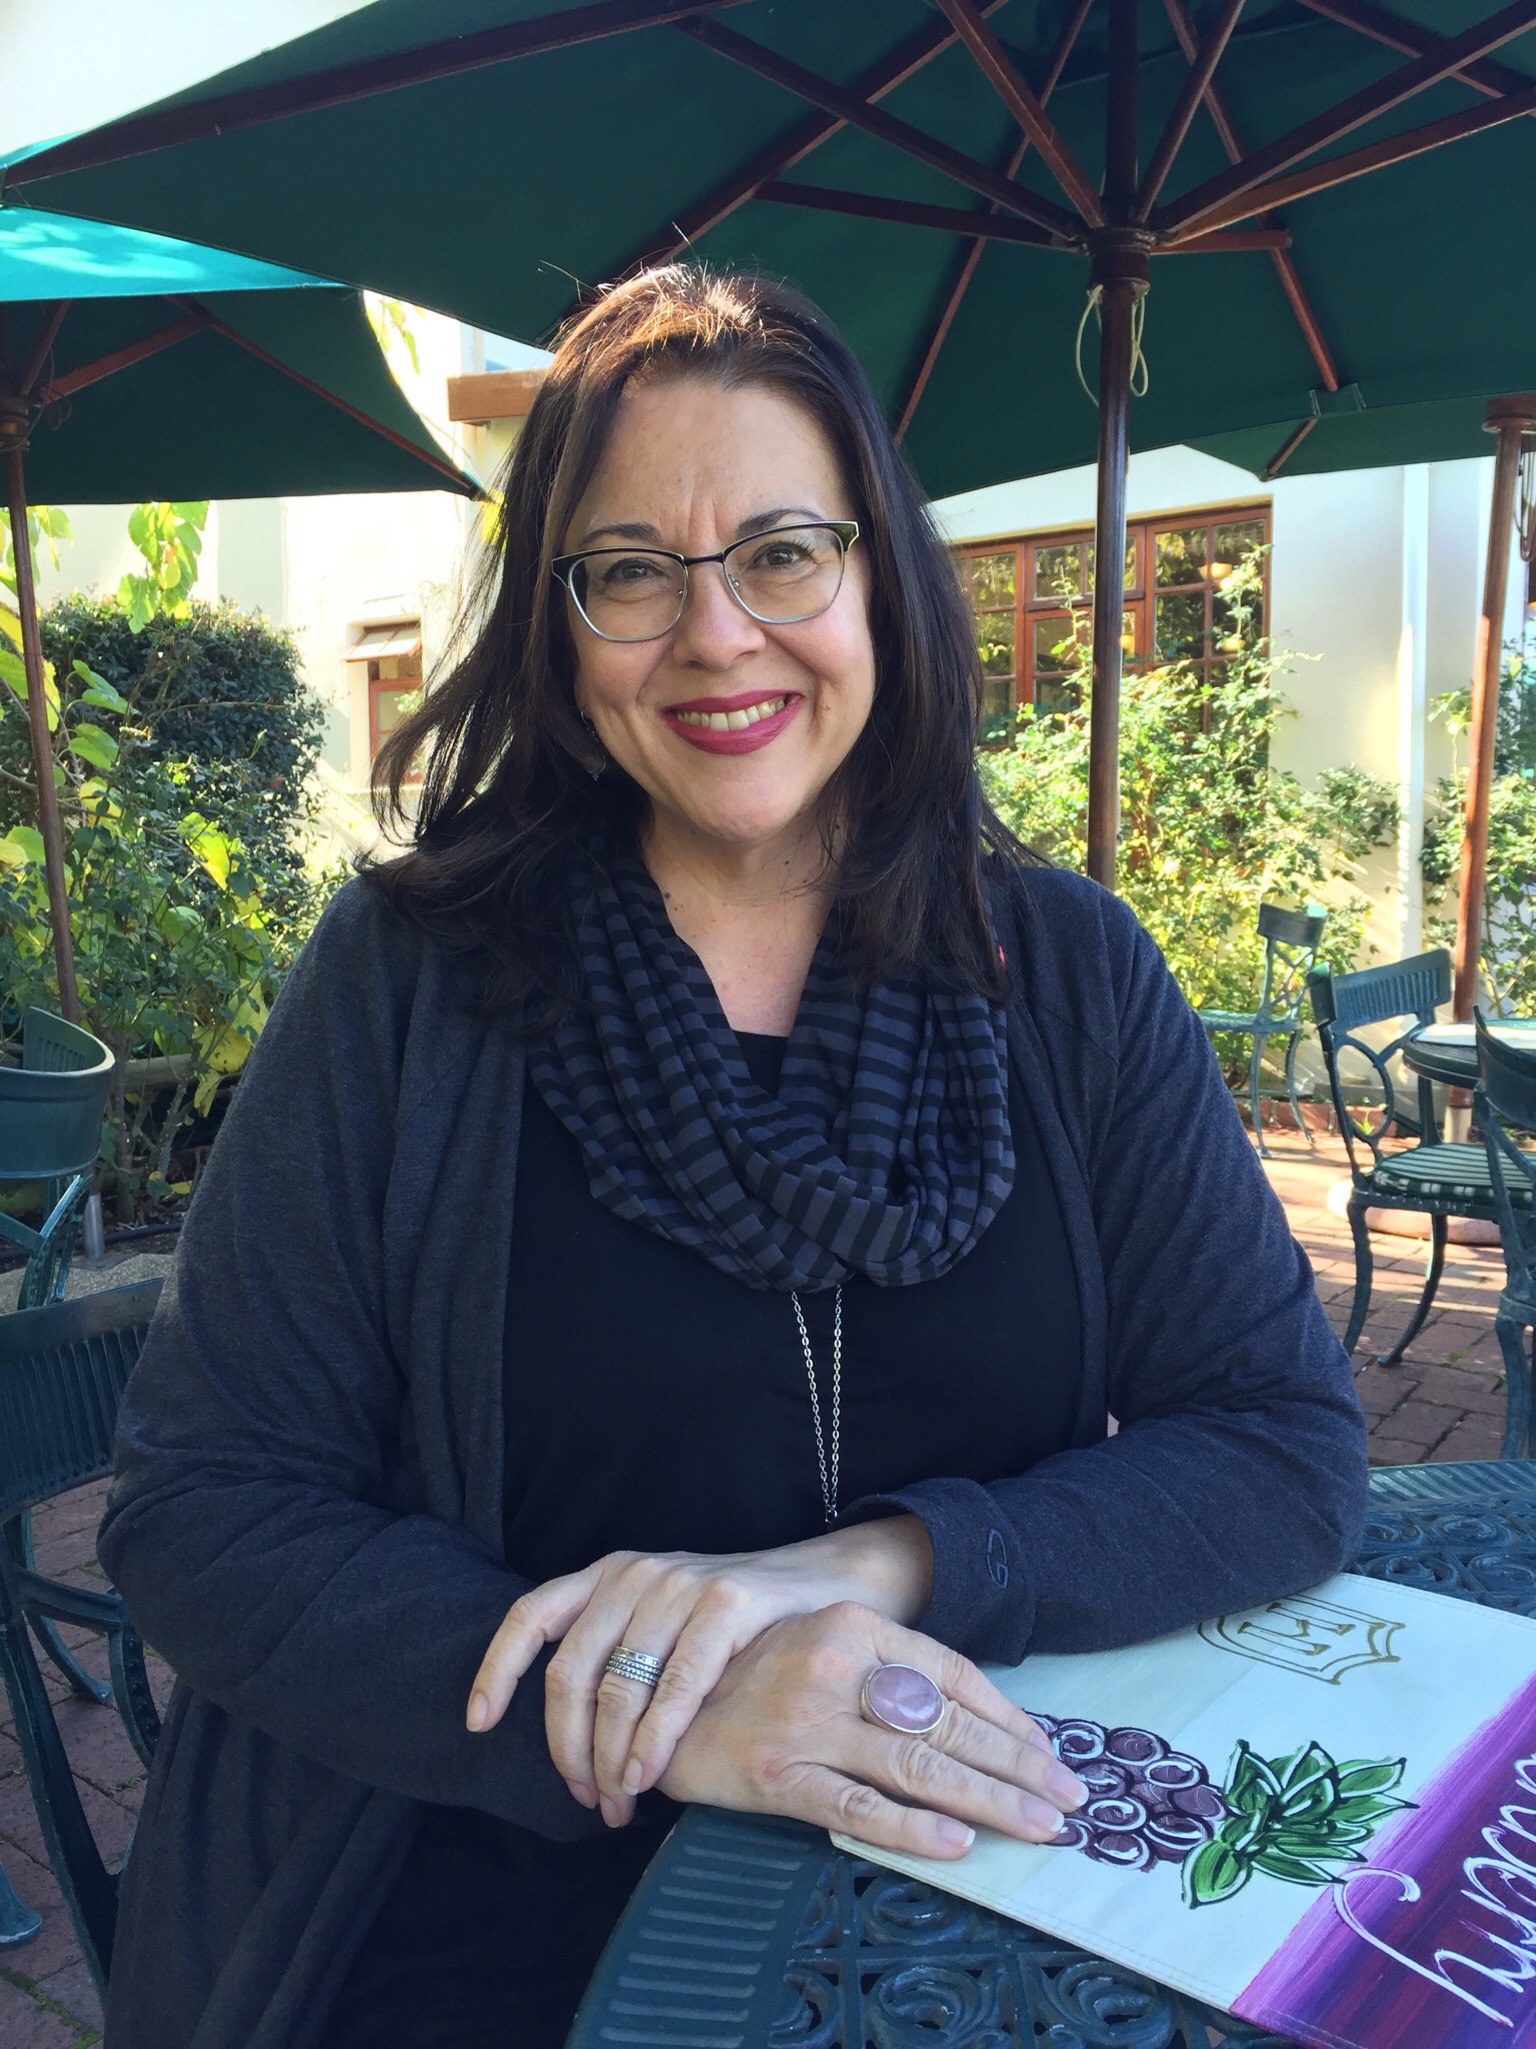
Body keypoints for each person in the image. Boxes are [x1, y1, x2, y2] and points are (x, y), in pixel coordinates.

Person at [99, 267, 1367, 2049]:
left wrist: (871, 1568)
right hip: (490, 1904)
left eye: (782, 552)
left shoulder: (1067, 969)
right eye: (632, 572)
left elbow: (1280, 1438)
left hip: (984, 1899)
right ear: (560, 628)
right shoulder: (408, 982)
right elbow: (204, 1506)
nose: (716, 633)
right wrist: (668, 1699)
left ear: (878, 577)